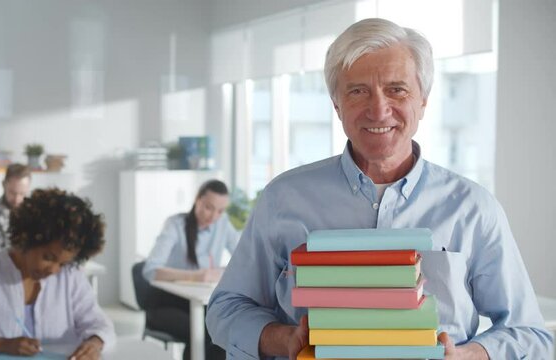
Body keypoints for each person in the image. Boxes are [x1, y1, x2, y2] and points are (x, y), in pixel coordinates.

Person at [205, 18, 553, 360]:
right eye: (358, 91)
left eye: (397, 89)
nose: (378, 109)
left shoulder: (474, 208)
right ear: (336, 104)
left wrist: (468, 355)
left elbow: (529, 333)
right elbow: (226, 309)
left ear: (424, 100)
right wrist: (286, 340)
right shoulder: (283, 198)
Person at [0, 188, 116, 360]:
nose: (54, 270)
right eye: (48, 257)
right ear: (26, 239)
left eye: (63, 263)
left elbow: (100, 324)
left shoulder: (70, 276)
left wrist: (95, 342)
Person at [142, 179, 240, 360]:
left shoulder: (222, 224)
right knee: (204, 332)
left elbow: (243, 256)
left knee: (222, 330)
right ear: (197, 200)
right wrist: (196, 276)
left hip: (201, 302)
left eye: (220, 211)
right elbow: (150, 270)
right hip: (166, 303)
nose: (213, 216)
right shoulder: (175, 225)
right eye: (208, 207)